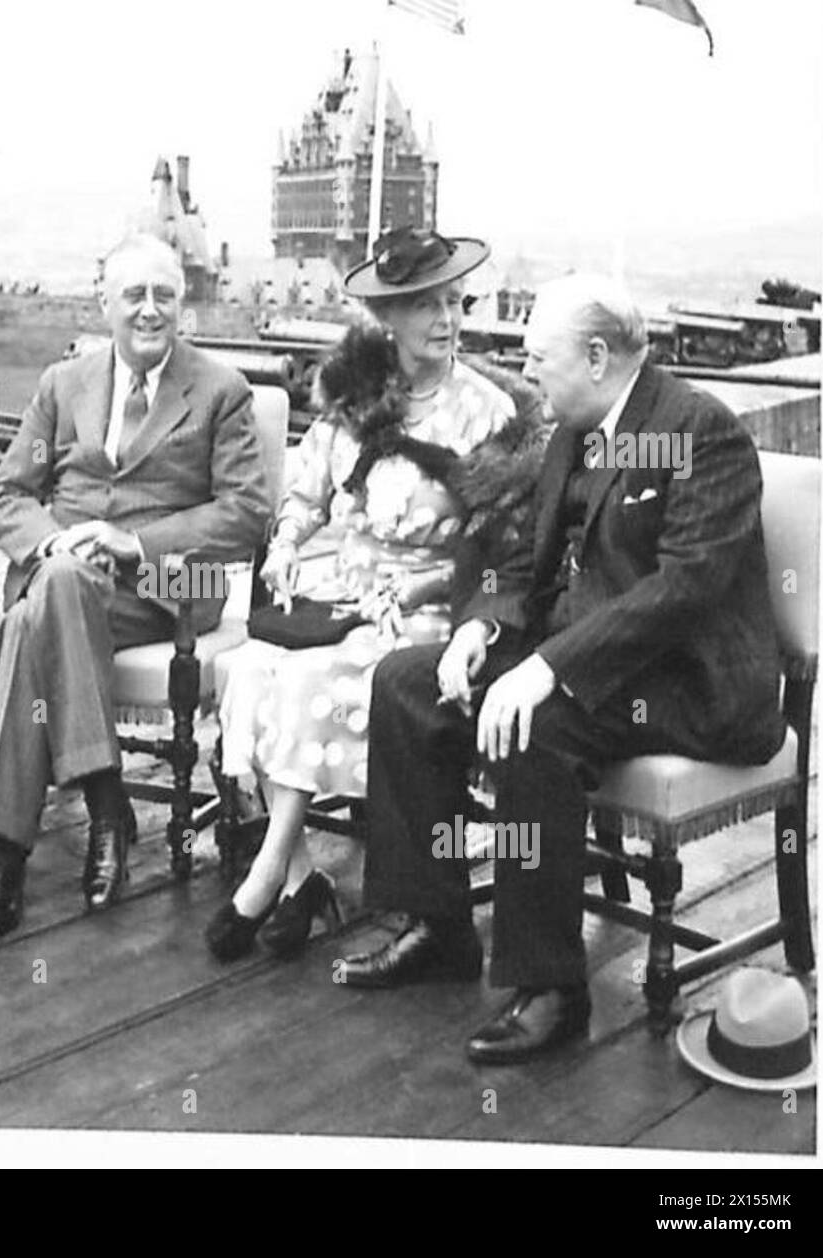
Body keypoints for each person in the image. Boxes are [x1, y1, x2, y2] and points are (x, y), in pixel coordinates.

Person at [351, 273, 785, 1064]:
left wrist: (547, 667)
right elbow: (524, 560)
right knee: (407, 682)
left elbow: (681, 591)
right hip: (591, 653)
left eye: (537, 354)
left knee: (537, 723)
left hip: (689, 680)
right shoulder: (573, 431)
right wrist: (480, 627)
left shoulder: (699, 432)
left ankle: (552, 986)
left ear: (594, 356)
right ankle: (436, 925)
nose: (524, 365)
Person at [207, 228, 547, 962]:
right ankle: (299, 876)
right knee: (247, 669)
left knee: (304, 679)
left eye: (455, 302)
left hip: (432, 611)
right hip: (341, 597)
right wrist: (290, 546)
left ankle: (269, 874)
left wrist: (423, 582)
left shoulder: (488, 415)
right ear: (388, 319)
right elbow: (304, 494)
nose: (447, 320)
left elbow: (501, 554)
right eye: (426, 306)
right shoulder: (354, 403)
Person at [0, 233, 271, 943]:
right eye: (133, 295)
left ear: (183, 306)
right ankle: (103, 805)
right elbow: (6, 491)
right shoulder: (62, 385)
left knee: (33, 617)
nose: (149, 309)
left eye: (164, 295)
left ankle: (4, 854)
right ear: (105, 304)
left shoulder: (221, 390)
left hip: (170, 584)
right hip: (64, 572)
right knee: (54, 592)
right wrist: (54, 541)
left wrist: (134, 543)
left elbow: (246, 511)